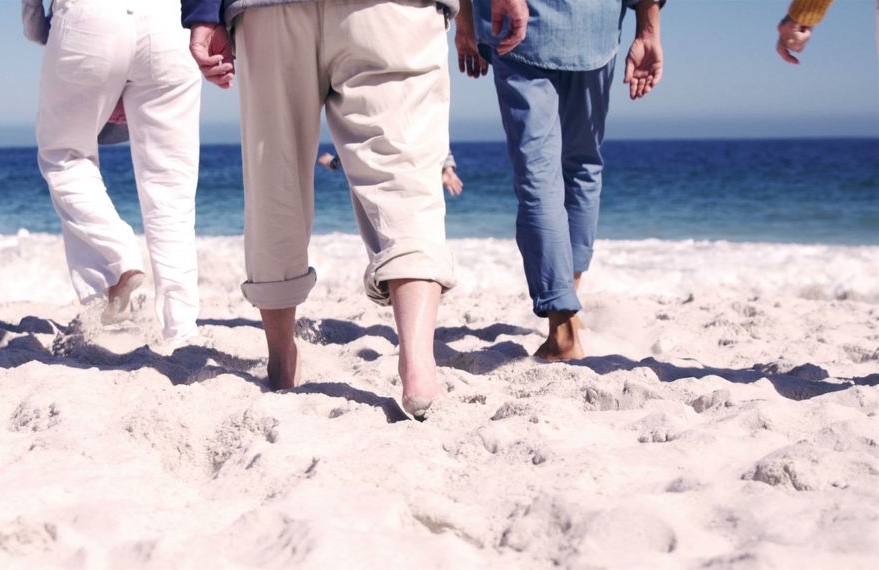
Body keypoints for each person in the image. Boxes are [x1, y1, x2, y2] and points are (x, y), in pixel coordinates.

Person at [182, 0, 460, 418]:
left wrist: (203, 12)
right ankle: (418, 361)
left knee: (273, 172)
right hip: (394, 9)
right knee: (405, 173)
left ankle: (280, 361)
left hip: (269, 9)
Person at [455, 0, 664, 361]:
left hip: (521, 26)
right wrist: (648, 29)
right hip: (594, 28)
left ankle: (562, 326)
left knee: (539, 175)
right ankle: (569, 304)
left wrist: (465, 21)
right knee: (583, 166)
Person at [25, 0, 203, 341]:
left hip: (87, 18)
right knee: (171, 184)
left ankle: (120, 258)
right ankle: (181, 328)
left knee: (65, 155)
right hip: (169, 23)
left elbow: (34, 16)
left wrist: (36, 25)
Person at [318, 150, 465, 196]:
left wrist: (448, 168)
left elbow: (357, 144)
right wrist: (448, 168)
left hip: (403, 189)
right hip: (407, 189)